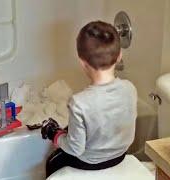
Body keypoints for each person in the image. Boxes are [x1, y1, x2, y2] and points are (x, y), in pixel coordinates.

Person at [41, 21, 137, 178]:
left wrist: (55, 135)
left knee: (53, 161)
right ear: (120, 56)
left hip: (90, 162)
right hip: (120, 154)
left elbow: (75, 149)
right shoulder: (130, 88)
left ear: (82, 62)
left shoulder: (79, 103)